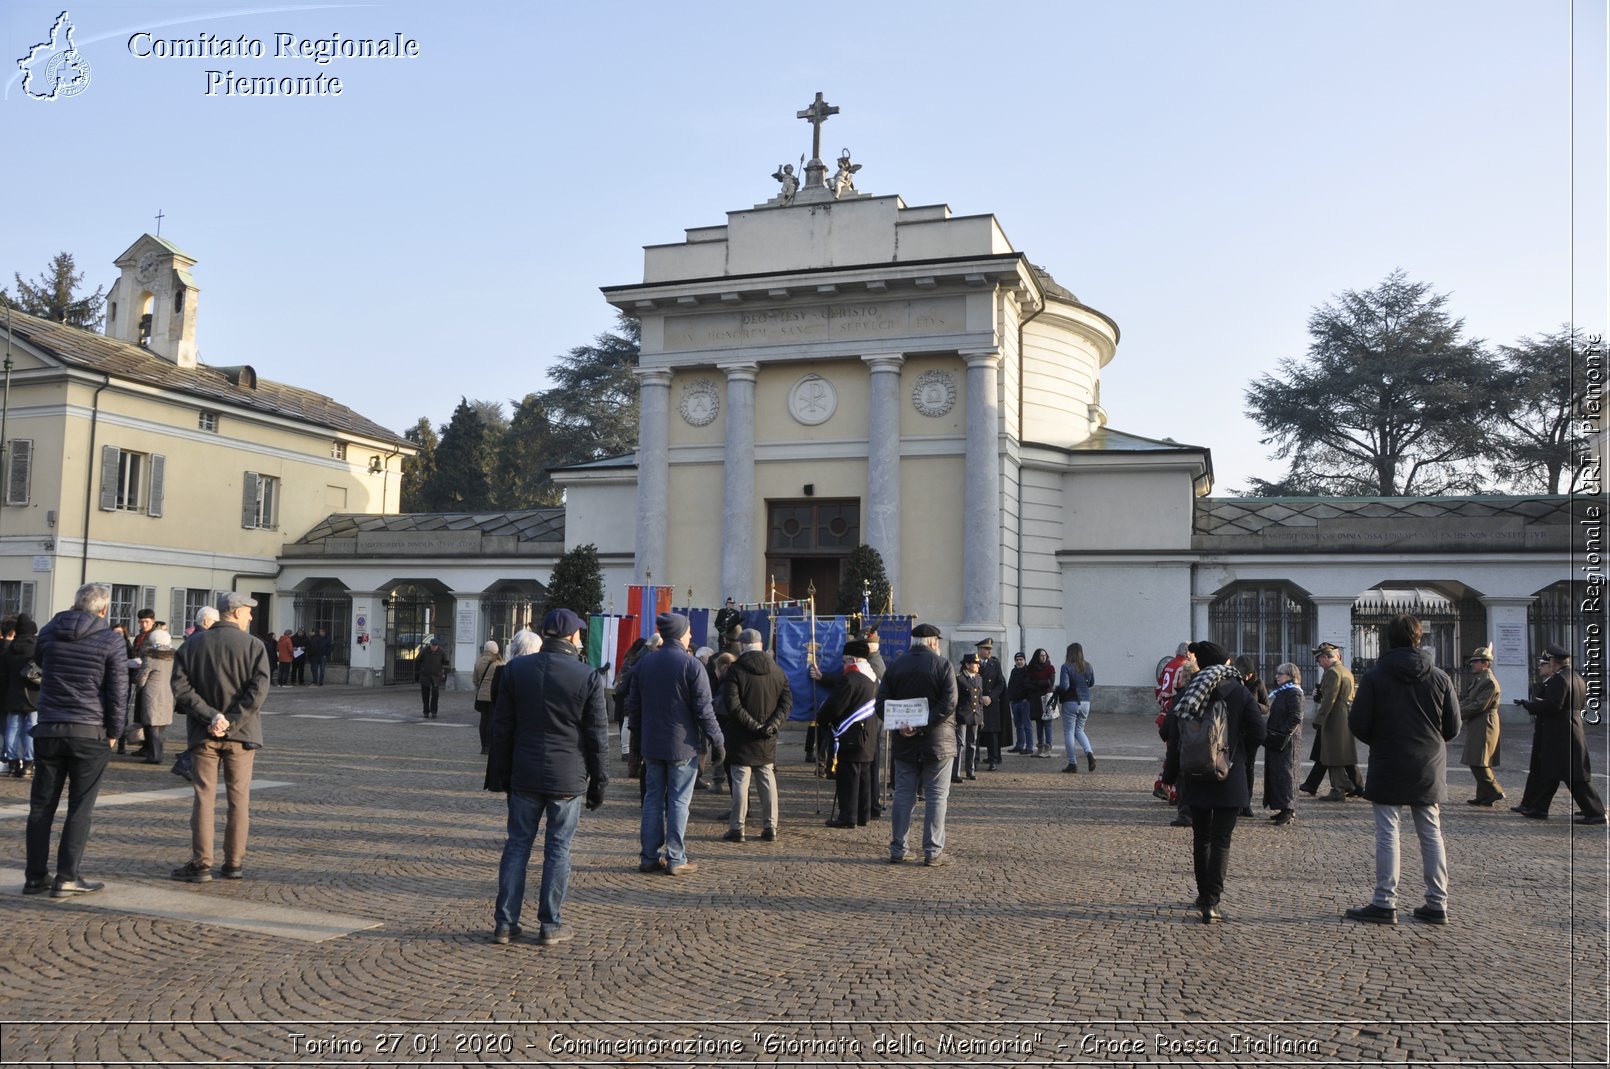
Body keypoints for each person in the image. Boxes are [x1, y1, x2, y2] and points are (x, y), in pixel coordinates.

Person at [484, 608, 608, 946]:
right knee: (558, 849)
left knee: (517, 846)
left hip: (524, 773)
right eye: (580, 633)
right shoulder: (587, 676)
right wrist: (599, 783)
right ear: (570, 636)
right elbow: (597, 737)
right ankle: (550, 924)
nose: (581, 637)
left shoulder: (514, 671)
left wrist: (504, 775)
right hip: (567, 778)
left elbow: (502, 729)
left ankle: (505, 922)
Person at [1344, 613, 1461, 925]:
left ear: (1388, 640)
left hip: (1388, 758)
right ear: (1418, 639)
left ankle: (1384, 901)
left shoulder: (1374, 676)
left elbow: (1357, 722)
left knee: (1388, 832)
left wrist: (1380, 740)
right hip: (1428, 763)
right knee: (1431, 832)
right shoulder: (1440, 677)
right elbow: (1453, 727)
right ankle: (1437, 903)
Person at [22, 583, 129, 898]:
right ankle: (67, 876)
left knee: (41, 806)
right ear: (104, 609)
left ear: (75, 604)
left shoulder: (50, 633)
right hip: (89, 729)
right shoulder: (111, 639)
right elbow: (119, 691)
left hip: (50, 726)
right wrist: (115, 731)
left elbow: (40, 663)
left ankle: (34, 877)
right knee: (80, 807)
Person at [169, 592, 272, 883]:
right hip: (242, 734)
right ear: (237, 612)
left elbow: (180, 687)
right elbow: (259, 691)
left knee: (204, 797)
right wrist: (233, 721)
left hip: (204, 732)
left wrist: (211, 716)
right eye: (249, 612)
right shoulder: (254, 646)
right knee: (238, 799)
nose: (251, 617)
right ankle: (233, 863)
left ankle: (202, 863)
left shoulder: (192, 645)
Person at [1162, 640, 1266, 923]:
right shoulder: (1240, 692)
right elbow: (1259, 733)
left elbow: (1171, 734)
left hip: (1195, 775)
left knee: (1201, 837)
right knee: (1221, 840)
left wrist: (1169, 776)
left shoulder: (1191, 691)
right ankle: (1212, 902)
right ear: (1225, 664)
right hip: (1229, 775)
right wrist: (1237, 746)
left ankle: (1201, 894)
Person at [627, 612, 725, 876]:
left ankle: (648, 856)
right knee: (679, 802)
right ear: (681, 633)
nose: (691, 635)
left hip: (652, 744)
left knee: (652, 800)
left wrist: (637, 741)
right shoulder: (692, 665)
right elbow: (705, 710)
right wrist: (718, 739)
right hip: (683, 745)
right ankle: (675, 858)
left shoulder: (644, 664)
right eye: (689, 631)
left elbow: (632, 709)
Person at [879, 622, 958, 866]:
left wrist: (904, 725)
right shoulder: (943, 665)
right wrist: (923, 725)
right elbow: (949, 703)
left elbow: (880, 702)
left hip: (905, 741)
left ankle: (898, 848)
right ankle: (933, 852)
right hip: (938, 741)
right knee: (936, 796)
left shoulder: (895, 665)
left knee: (903, 795)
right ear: (934, 643)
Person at [1514, 645, 1606, 824]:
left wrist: (1531, 705)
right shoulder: (1576, 677)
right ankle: (1539, 808)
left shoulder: (1559, 679)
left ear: (1555, 663)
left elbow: (1554, 705)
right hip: (1570, 728)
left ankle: (1595, 812)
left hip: (1560, 731)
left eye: (1550, 662)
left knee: (1573, 775)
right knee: (1553, 771)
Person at [720, 628, 791, 843]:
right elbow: (786, 703)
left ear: (741, 646)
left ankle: (737, 828)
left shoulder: (735, 670)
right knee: (767, 780)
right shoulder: (777, 670)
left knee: (741, 781)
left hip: (742, 736)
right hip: (767, 737)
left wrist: (754, 726)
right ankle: (771, 826)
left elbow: (732, 704)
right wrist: (772, 725)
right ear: (761, 645)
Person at [817, 639, 880, 828]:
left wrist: (823, 718)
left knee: (848, 778)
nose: (843, 664)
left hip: (851, 734)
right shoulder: (873, 677)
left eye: (844, 661)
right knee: (864, 777)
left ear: (852, 659)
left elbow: (835, 705)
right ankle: (863, 815)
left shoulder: (851, 678)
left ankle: (848, 817)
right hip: (869, 733)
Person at [171, 606, 218, 783]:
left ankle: (186, 760)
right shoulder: (203, 639)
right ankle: (185, 762)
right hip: (200, 695)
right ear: (206, 622)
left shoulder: (194, 638)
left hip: (193, 694)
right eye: (215, 622)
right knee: (205, 734)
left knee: (203, 733)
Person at [1310, 642, 1362, 801]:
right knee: (1341, 754)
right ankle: (1351, 786)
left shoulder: (1332, 673)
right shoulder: (1346, 671)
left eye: (1319, 660)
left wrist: (1318, 719)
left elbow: (1329, 700)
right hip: (1345, 715)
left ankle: (1338, 788)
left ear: (1326, 658)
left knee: (1332, 755)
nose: (1318, 663)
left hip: (1334, 718)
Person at [1458, 646, 1504, 806]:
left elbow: (1478, 705)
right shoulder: (1480, 680)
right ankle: (1484, 795)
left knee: (1479, 761)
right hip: (1479, 722)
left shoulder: (1489, 682)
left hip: (1485, 723)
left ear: (1485, 664)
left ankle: (1495, 791)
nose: (1472, 664)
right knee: (1479, 759)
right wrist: (1456, 708)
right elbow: (1469, 700)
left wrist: (1458, 713)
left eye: (1476, 662)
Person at [1263, 662, 1304, 825]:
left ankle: (1288, 808)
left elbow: (1295, 717)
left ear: (1291, 676)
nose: (1277, 677)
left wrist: (1283, 734)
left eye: (1281, 674)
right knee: (1277, 774)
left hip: (1287, 742)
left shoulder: (1294, 693)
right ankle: (1282, 807)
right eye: (1277, 673)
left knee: (1287, 775)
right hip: (1277, 739)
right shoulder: (1282, 692)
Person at [3, 614, 39, 779]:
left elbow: (3, 677)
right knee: (31, 728)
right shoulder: (37, 648)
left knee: (12, 729)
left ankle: (12, 763)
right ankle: (28, 764)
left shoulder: (8, 650)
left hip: (12, 694)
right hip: (33, 695)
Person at [1232, 654, 1268, 816]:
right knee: (1234, 765)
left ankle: (1246, 803)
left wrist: (1253, 705)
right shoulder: (1233, 682)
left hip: (1251, 731)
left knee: (1249, 767)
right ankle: (1235, 800)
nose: (1246, 677)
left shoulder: (1258, 684)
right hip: (1235, 731)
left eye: (1249, 675)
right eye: (1244, 674)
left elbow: (1267, 707)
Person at [135, 629, 176, 765]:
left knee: (151, 725)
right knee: (161, 726)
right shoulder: (173, 657)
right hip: (168, 692)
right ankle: (158, 753)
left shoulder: (151, 657)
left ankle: (154, 755)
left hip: (152, 693)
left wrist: (138, 684)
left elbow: (142, 678)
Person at [1058, 642, 1096, 774]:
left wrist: (1058, 692)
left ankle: (1072, 763)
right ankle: (1089, 753)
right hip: (1086, 702)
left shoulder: (1066, 666)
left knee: (1069, 732)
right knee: (1079, 730)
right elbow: (1091, 683)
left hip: (1071, 701)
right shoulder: (1088, 666)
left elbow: (1064, 686)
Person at [974, 639, 1007, 771]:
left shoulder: (995, 664)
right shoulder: (972, 663)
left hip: (991, 704)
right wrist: (979, 697)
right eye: (986, 649)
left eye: (990, 649)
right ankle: (974, 760)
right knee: (976, 733)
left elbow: (1000, 683)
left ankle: (993, 759)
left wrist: (991, 697)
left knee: (992, 734)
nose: (989, 651)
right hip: (976, 703)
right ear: (979, 650)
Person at [952, 653, 982, 783]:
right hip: (962, 715)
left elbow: (979, 699)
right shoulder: (959, 679)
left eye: (978, 663)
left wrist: (982, 717)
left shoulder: (979, 678)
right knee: (960, 744)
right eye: (975, 663)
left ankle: (970, 770)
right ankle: (955, 772)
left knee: (972, 744)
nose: (977, 666)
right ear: (967, 665)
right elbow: (955, 699)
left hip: (975, 715)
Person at [472, 640, 504, 756]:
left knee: (483, 720)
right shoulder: (498, 663)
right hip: (493, 696)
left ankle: (483, 746)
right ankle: (489, 746)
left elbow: (475, 680)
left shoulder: (478, 661)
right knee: (491, 720)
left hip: (481, 696)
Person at [1026, 648, 1057, 757]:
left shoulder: (1050, 668)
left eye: (1044, 655)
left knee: (1047, 724)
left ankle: (1048, 747)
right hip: (1035, 699)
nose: (1043, 657)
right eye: (1041, 655)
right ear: (1037, 657)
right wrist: (1040, 684)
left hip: (1047, 699)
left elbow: (1050, 682)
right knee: (1039, 724)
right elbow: (1028, 684)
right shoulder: (1032, 668)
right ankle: (1040, 747)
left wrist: (1037, 683)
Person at [415, 636, 449, 719]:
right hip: (425, 676)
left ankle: (434, 711)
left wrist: (442, 671)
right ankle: (426, 711)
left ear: (437, 646)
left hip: (436, 676)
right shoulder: (424, 651)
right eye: (433, 646)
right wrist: (421, 670)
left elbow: (445, 661)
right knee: (425, 695)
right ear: (430, 645)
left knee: (435, 694)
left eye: (435, 646)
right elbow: (418, 660)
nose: (434, 648)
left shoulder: (441, 651)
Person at [1006, 651, 1033, 755]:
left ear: (1024, 660)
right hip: (1015, 702)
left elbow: (1030, 687)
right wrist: (1009, 699)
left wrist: (1027, 699)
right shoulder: (1014, 671)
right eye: (1017, 660)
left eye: (1021, 660)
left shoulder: (1028, 671)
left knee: (1027, 725)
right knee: (1018, 725)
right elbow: (1011, 685)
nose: (1019, 662)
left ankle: (1029, 747)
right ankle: (1020, 745)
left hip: (1024, 702)